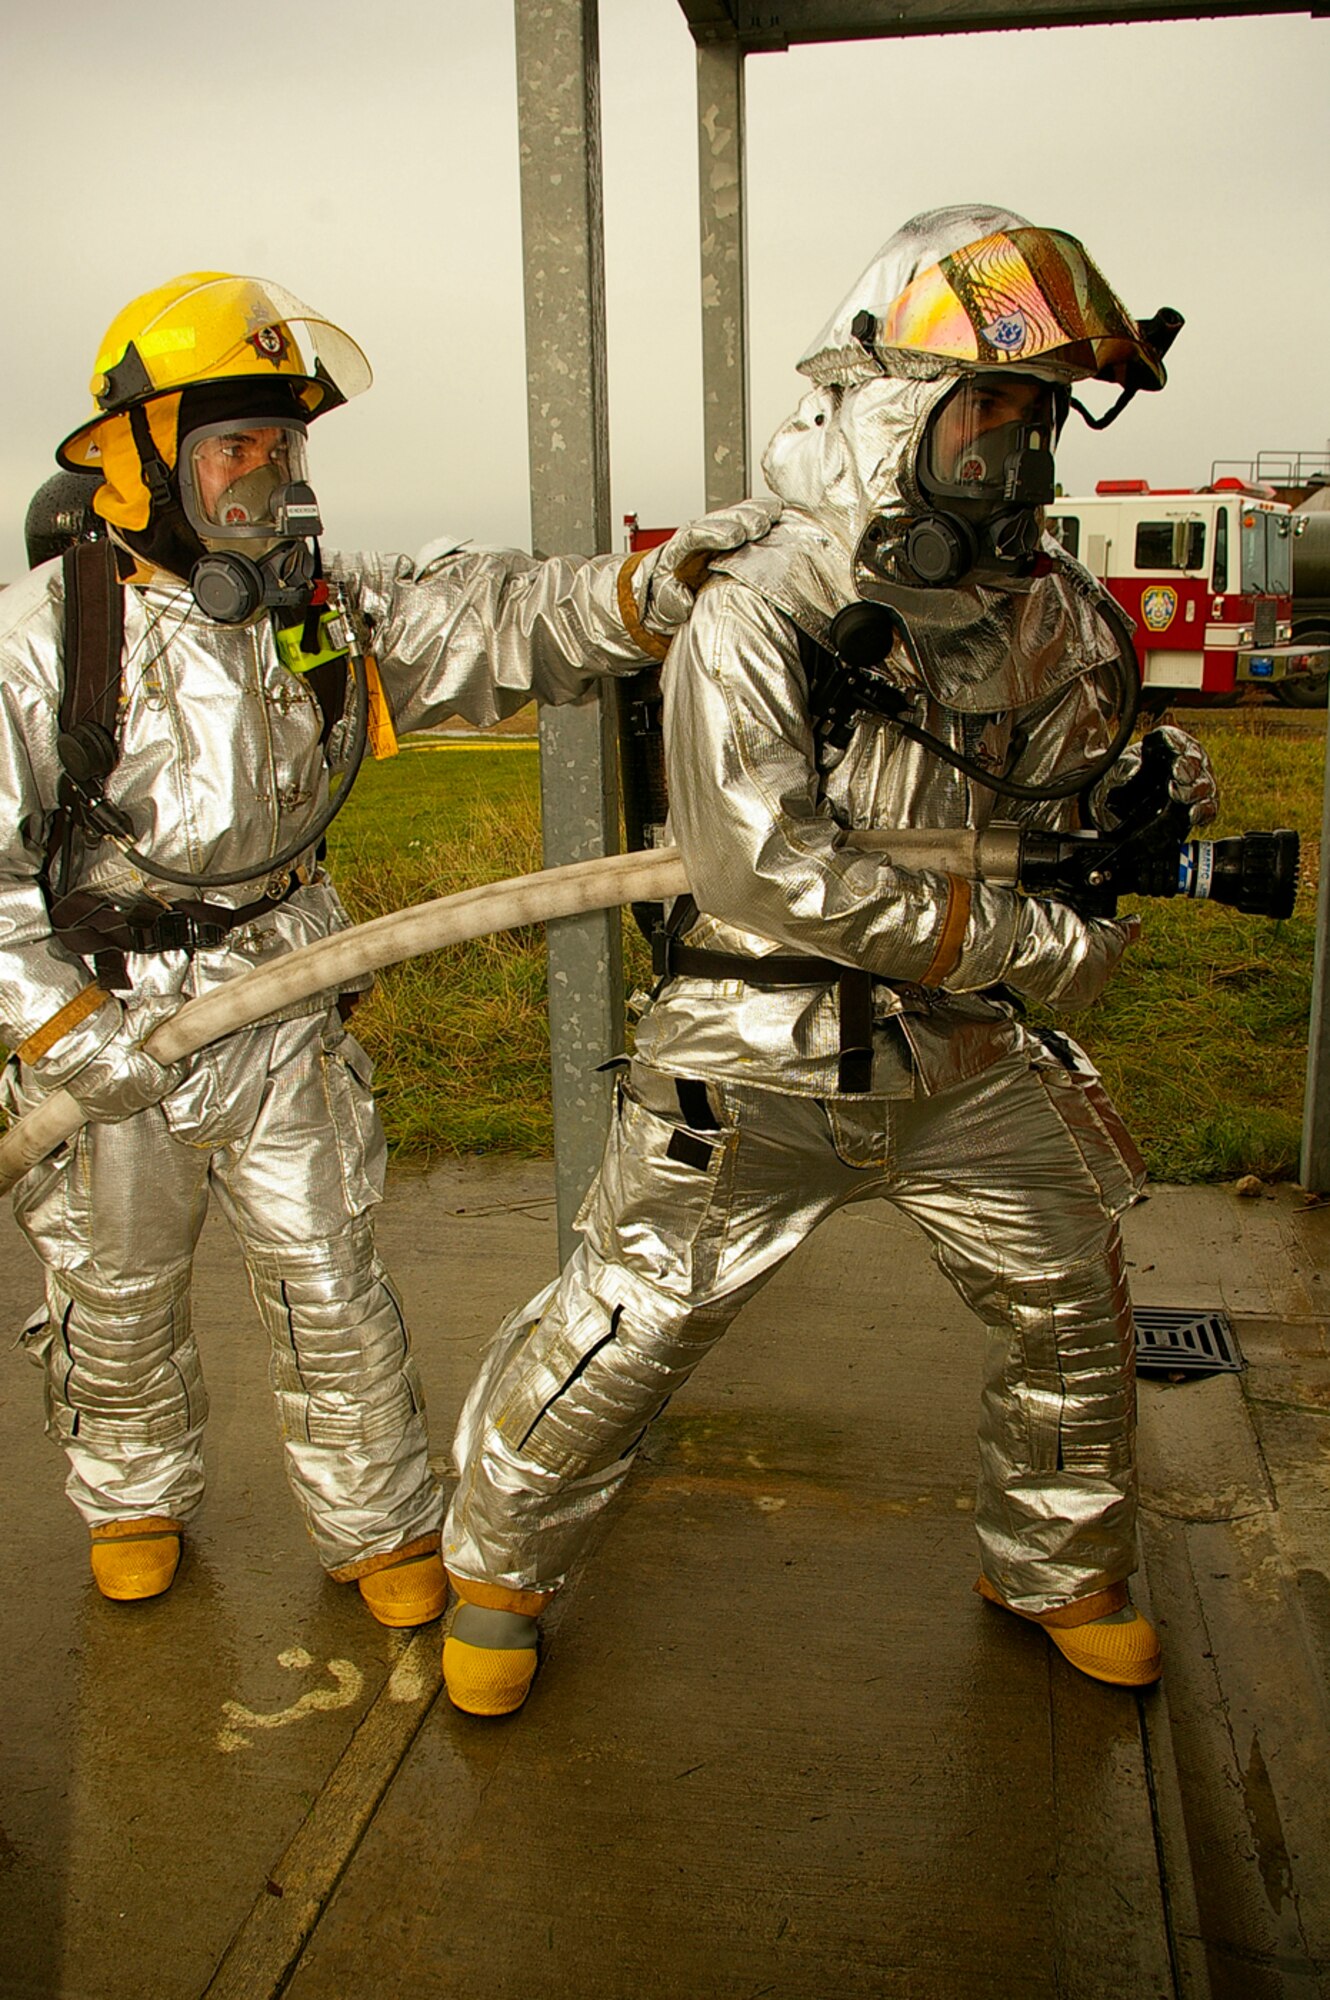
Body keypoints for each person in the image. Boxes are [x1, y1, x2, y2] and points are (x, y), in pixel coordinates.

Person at [440, 205, 1218, 1715]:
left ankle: (1054, 1564)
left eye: (1036, 413)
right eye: (986, 405)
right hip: (756, 1055)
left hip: (966, 1064)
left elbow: (1069, 785)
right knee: (628, 1321)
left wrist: (1146, 793)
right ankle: (495, 1569)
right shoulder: (762, 603)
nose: (1013, 448)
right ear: (892, 408)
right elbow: (760, 861)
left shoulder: (1047, 611)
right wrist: (1016, 945)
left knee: (1068, 1299)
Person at [2, 270, 773, 1624]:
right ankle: (131, 1495)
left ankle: (376, 1523)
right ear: (136, 463)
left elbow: (495, 614)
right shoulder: (45, 643)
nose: (267, 478)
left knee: (329, 1274)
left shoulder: (317, 616)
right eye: (234, 447)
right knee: (112, 1291)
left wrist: (649, 591)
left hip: (286, 986)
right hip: (113, 1016)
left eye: (284, 447)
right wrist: (63, 1031)